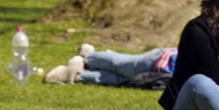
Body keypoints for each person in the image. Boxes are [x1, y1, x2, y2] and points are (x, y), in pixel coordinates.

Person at [42, 43, 177, 86]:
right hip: (163, 62)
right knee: (121, 64)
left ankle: (78, 74)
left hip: (165, 74)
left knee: (124, 80)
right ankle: (87, 57)